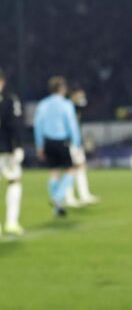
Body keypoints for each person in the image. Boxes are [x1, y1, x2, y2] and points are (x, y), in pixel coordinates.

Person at [33, 76, 80, 217]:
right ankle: (58, 197)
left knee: (54, 173)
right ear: (62, 89)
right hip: (62, 141)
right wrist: (76, 143)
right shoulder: (66, 104)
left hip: (48, 142)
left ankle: (57, 209)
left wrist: (39, 145)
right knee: (71, 170)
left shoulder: (43, 104)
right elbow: (72, 125)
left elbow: (38, 126)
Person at [64, 86, 100, 207]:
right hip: (69, 142)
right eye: (80, 95)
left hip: (76, 142)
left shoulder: (75, 108)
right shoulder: (67, 108)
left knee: (80, 167)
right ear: (73, 95)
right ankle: (69, 197)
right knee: (71, 169)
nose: (82, 98)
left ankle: (84, 195)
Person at [0, 68, 25, 235]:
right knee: (14, 181)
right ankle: (11, 222)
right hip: (5, 150)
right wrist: (18, 147)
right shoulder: (10, 100)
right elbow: (14, 125)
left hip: (5, 149)